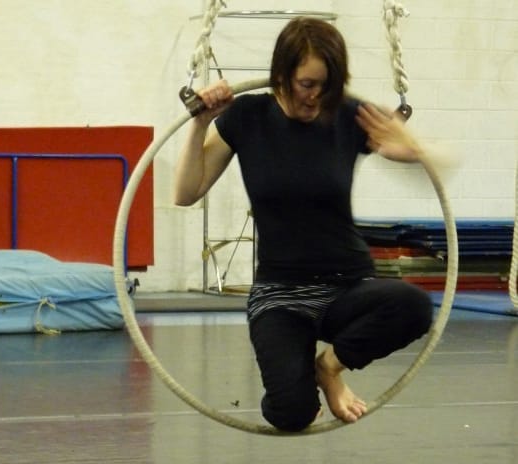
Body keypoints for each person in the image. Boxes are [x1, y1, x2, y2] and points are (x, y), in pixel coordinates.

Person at [174, 17, 434, 432]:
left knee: (416, 306)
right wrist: (200, 122)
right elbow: (185, 192)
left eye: (327, 87)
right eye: (307, 84)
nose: (316, 97)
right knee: (291, 413)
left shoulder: (348, 116)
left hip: (348, 286)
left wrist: (415, 149)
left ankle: (328, 368)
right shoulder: (247, 116)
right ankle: (296, 380)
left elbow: (433, 162)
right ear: (281, 75)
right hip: (280, 295)